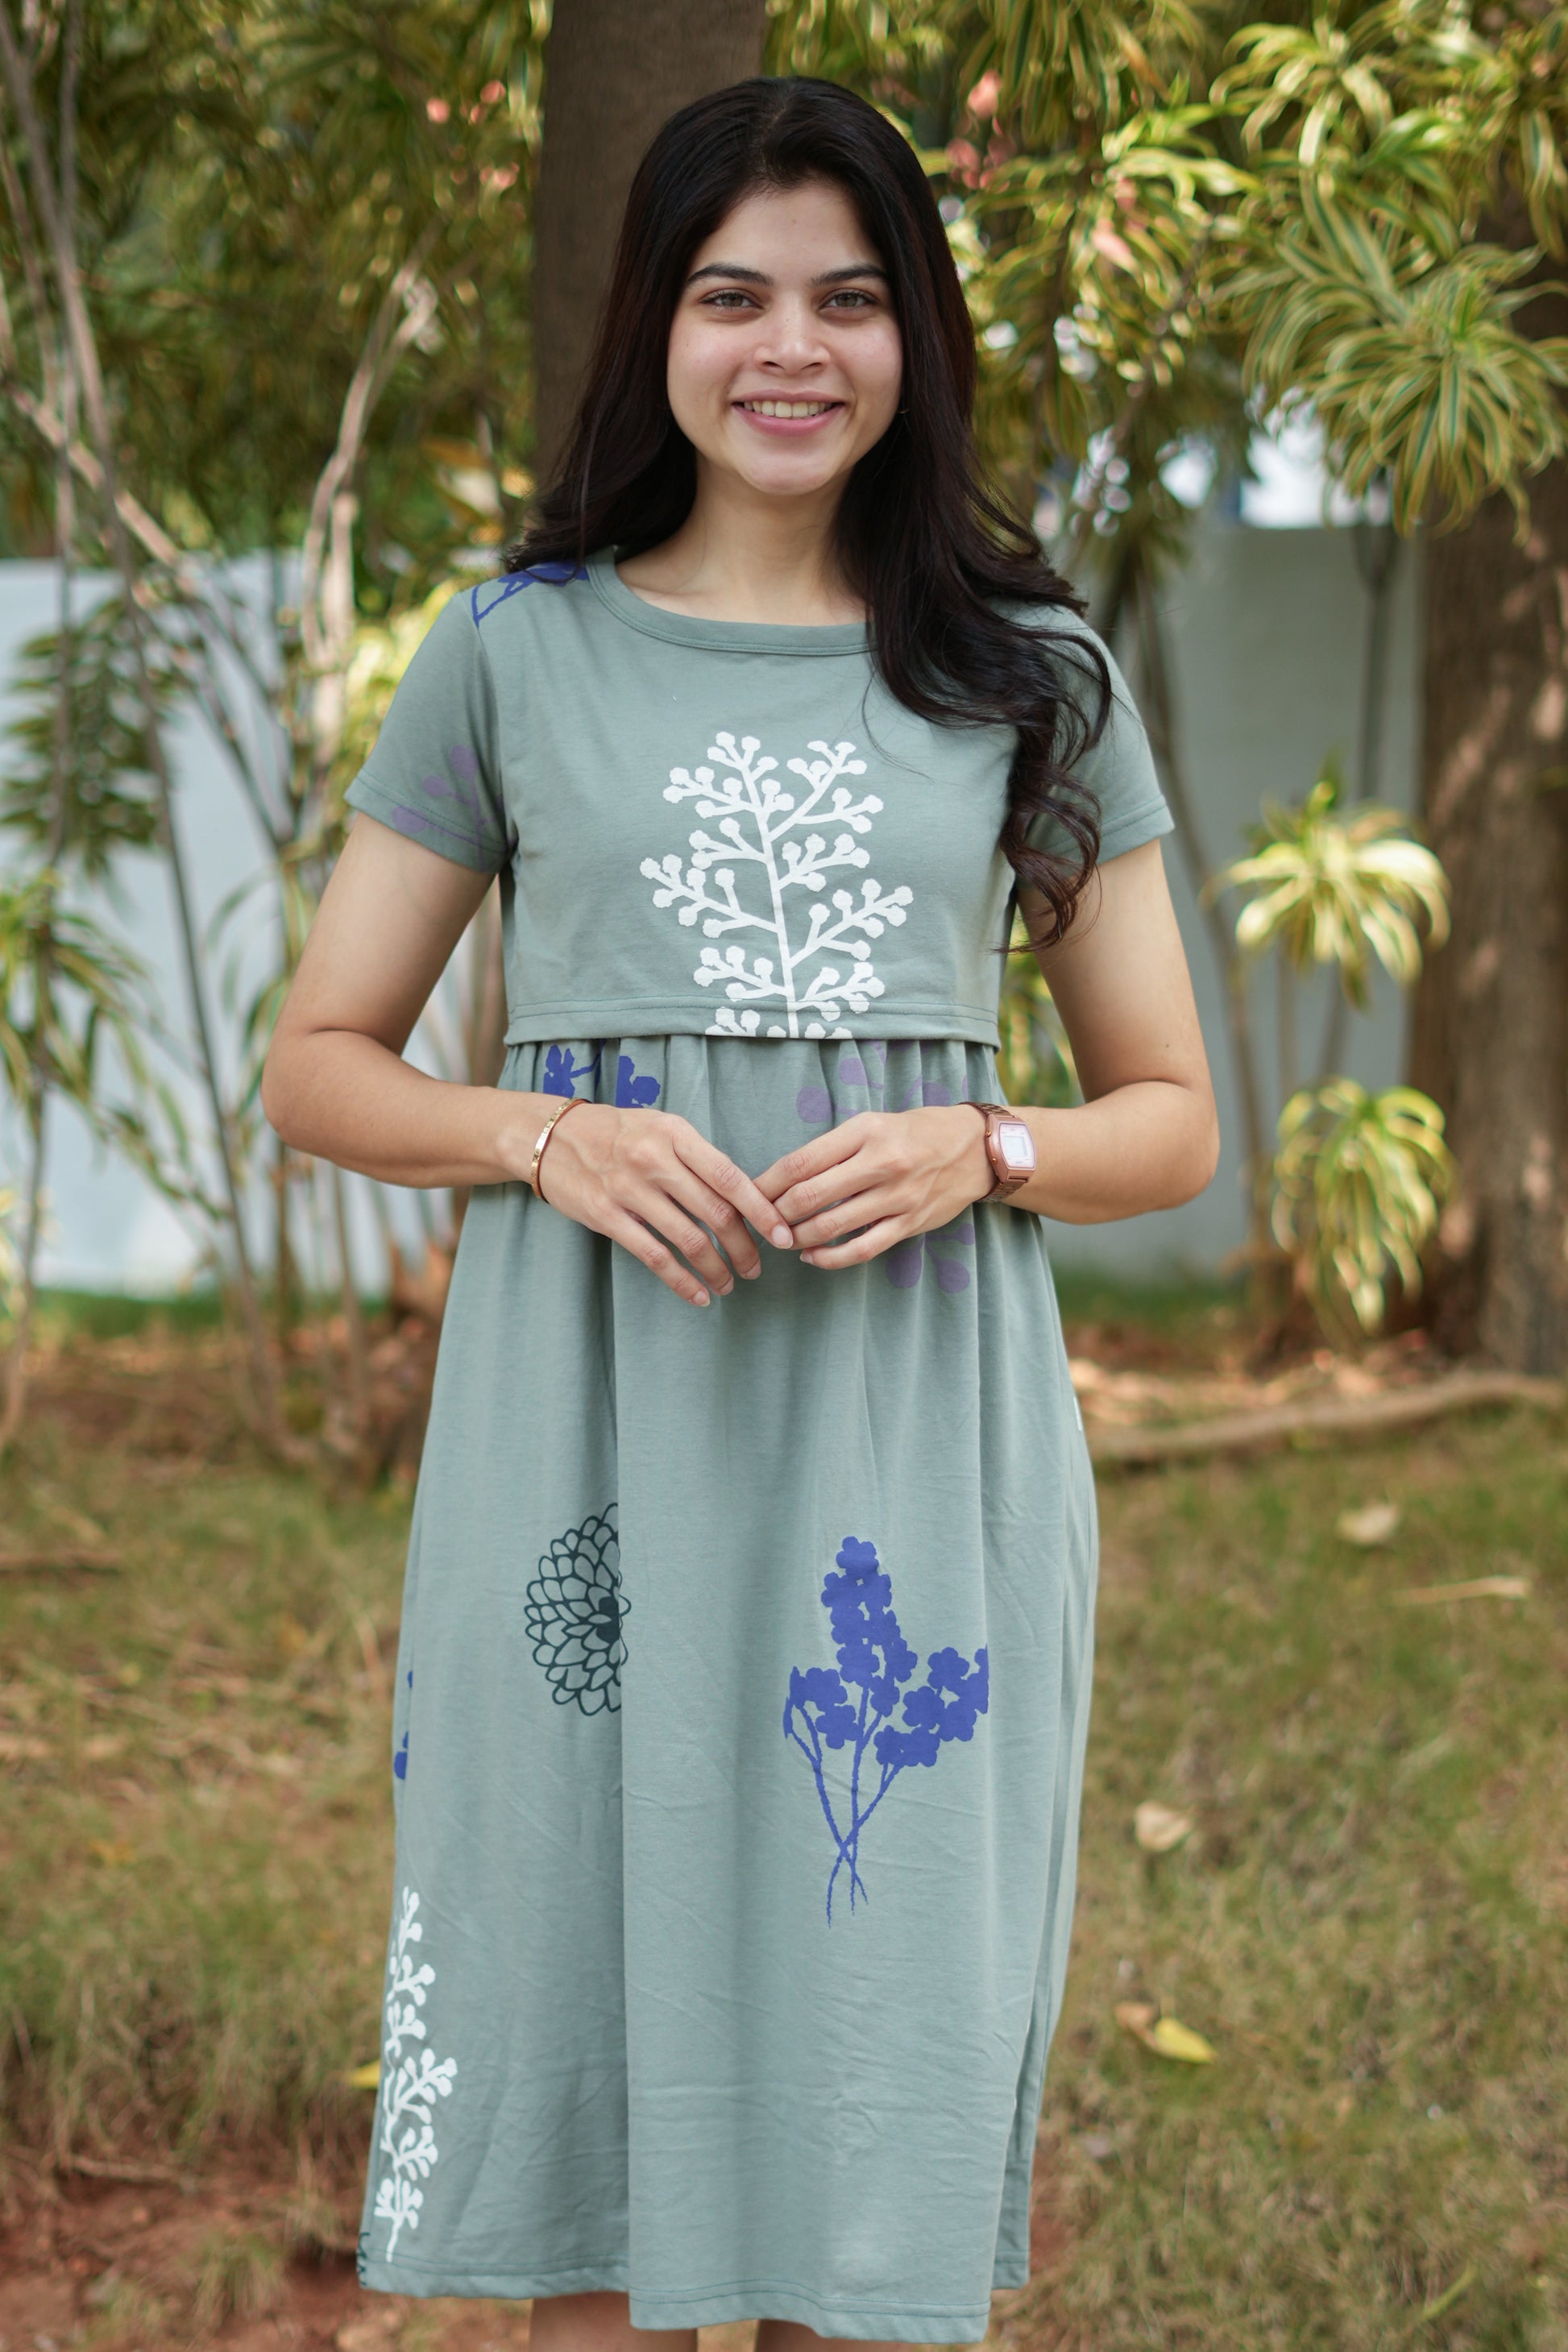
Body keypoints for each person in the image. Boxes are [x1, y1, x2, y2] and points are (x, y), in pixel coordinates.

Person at [262, 73, 1217, 2352]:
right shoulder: (514, 652)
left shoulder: (1030, 675)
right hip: (582, 1439)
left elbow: (1172, 1120)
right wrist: (542, 1136)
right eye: (733, 296)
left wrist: (984, 1146)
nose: (792, 348)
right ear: (656, 328)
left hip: (908, 1446)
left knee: (859, 2151)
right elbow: (318, 1066)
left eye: (848, 300)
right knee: (582, 2111)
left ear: (917, 340)